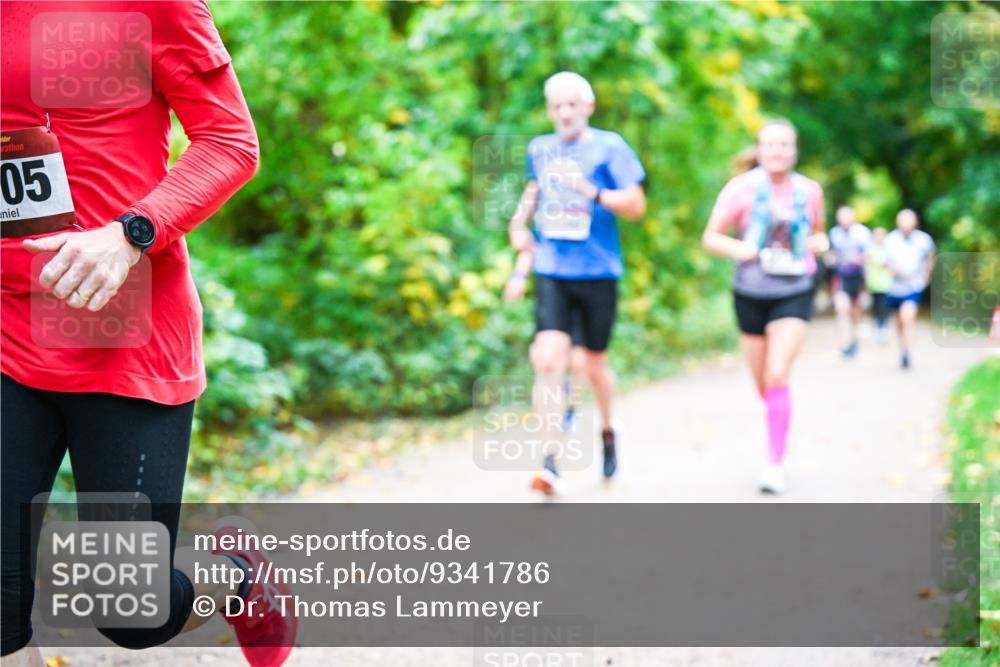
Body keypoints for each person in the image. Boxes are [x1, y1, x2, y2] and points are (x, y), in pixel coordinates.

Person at [1, 3, 294, 666]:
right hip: (7, 331)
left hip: (121, 327)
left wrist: (131, 233)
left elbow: (230, 141)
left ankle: (239, 576)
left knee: (130, 609)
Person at [507, 71, 646, 495]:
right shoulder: (540, 149)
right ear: (550, 111)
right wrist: (518, 225)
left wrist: (591, 191)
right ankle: (549, 462)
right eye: (557, 106)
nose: (565, 112)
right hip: (553, 268)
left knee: (592, 366)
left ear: (588, 106)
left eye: (572, 104)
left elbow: (636, 205)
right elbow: (535, 189)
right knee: (548, 361)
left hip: (599, 271)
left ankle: (607, 429)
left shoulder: (611, 147)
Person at [702, 119, 828, 495]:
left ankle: (774, 462)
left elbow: (817, 231)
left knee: (776, 373)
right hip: (750, 293)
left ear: (795, 150)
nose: (778, 152)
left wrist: (819, 243)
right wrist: (740, 249)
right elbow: (710, 237)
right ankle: (779, 423)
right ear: (759, 149)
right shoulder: (740, 189)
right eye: (770, 145)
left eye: (785, 146)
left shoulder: (810, 191)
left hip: (794, 289)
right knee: (763, 384)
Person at [884, 209, 936, 369]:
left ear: (914, 222)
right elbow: (884, 262)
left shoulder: (924, 240)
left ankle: (907, 351)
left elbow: (930, 258)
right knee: (899, 321)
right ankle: (903, 347)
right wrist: (893, 269)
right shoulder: (891, 239)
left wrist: (926, 277)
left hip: (913, 285)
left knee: (908, 316)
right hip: (895, 286)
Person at [828, 206, 872, 358]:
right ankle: (844, 344)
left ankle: (853, 340)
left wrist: (858, 260)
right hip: (841, 277)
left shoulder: (862, 233)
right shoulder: (834, 233)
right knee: (842, 309)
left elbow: (868, 256)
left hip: (858, 277)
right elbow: (832, 254)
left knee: (855, 311)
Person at [865, 227, 893, 343]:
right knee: (876, 307)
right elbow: (867, 266)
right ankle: (877, 327)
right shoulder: (870, 249)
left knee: (884, 307)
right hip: (874, 284)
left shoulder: (889, 250)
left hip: (886, 284)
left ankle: (883, 327)